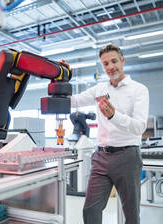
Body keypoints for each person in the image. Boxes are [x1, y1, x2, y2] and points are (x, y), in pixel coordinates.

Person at [62, 44, 149, 224]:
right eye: (106, 63)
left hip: (127, 157)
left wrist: (113, 116)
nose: (110, 67)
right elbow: (74, 101)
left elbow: (139, 127)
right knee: (90, 209)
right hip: (101, 157)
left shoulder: (138, 90)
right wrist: (61, 78)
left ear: (122, 60)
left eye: (114, 61)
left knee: (131, 214)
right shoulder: (100, 89)